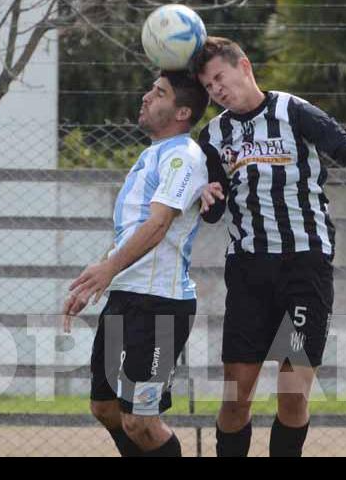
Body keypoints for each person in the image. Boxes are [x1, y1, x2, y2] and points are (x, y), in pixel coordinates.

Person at [190, 36, 346, 457]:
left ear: (244, 66)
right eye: (208, 87)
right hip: (249, 275)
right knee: (235, 396)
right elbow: (212, 212)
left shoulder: (292, 111)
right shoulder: (214, 135)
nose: (217, 90)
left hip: (305, 270)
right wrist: (206, 196)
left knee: (293, 392)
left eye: (219, 78)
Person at [63, 70, 215, 457]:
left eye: (159, 92)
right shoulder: (150, 156)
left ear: (182, 112)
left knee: (141, 420)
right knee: (106, 408)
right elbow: (128, 233)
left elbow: (159, 224)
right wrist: (94, 280)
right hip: (125, 299)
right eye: (150, 89)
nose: (146, 97)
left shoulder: (184, 156)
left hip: (159, 307)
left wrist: (108, 270)